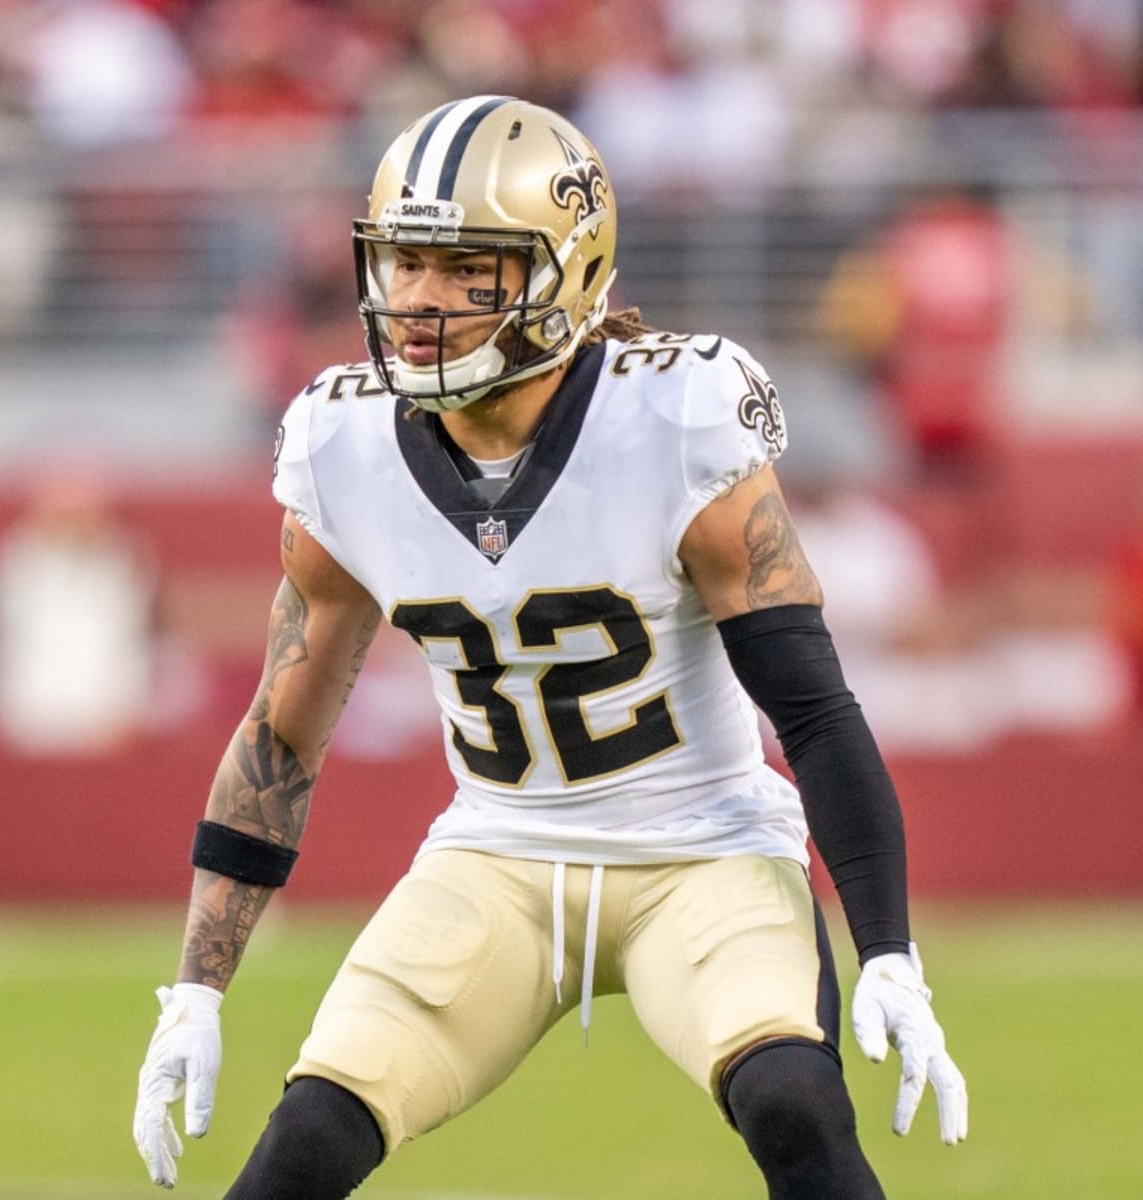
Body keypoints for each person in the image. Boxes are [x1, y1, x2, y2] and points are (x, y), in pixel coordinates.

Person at [133, 95, 967, 1199]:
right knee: (301, 1151)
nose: (420, 300)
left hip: (703, 853)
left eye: (466, 265)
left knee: (796, 1108)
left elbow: (811, 708)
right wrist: (197, 989)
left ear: (564, 272)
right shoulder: (344, 443)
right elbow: (281, 734)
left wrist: (890, 954)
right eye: (404, 264)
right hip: (498, 857)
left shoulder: (674, 416)